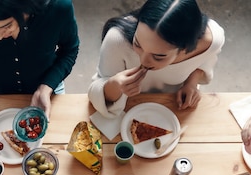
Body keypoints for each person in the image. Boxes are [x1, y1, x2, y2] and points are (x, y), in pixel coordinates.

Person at [0, 0, 79, 148]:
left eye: (6, 25)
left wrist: (47, 86)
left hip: (48, 90)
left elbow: (69, 50)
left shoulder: (58, 7)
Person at [88, 0, 224, 118]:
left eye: (158, 56)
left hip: (173, 108)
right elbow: (95, 91)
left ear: (185, 49)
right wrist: (116, 86)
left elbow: (204, 61)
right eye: (137, 44)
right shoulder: (117, 40)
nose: (144, 61)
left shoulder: (211, 41)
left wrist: (191, 83)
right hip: (125, 112)